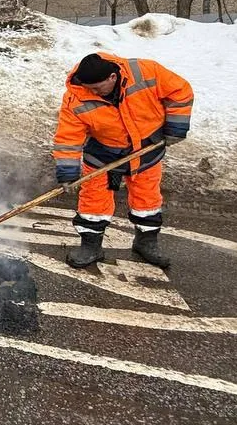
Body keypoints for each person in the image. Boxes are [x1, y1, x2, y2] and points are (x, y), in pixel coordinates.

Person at [52, 52, 193, 270]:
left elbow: (180, 91)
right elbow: (68, 138)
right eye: (89, 88)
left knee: (147, 201)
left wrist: (176, 125)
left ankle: (146, 243)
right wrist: (68, 173)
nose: (93, 93)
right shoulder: (76, 97)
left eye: (97, 88)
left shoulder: (146, 71)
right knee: (93, 203)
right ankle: (91, 246)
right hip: (104, 153)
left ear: (112, 77)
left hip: (147, 148)